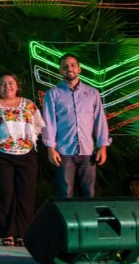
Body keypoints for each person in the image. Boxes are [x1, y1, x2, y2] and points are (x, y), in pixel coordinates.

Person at [0, 74, 45, 246]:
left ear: (17, 86)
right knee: (3, 194)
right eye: (2, 83)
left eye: (11, 83)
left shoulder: (28, 104)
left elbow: (39, 125)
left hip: (26, 154)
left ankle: (24, 233)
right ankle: (7, 233)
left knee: (26, 194)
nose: (7, 86)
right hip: (0, 155)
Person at [41, 53, 111, 198]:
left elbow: (100, 120)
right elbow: (48, 123)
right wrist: (50, 148)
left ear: (79, 69)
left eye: (73, 65)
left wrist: (103, 146)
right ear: (60, 70)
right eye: (65, 66)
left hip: (88, 151)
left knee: (89, 194)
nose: (69, 68)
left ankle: (88, 214)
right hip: (63, 152)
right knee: (65, 194)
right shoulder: (52, 94)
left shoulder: (92, 93)